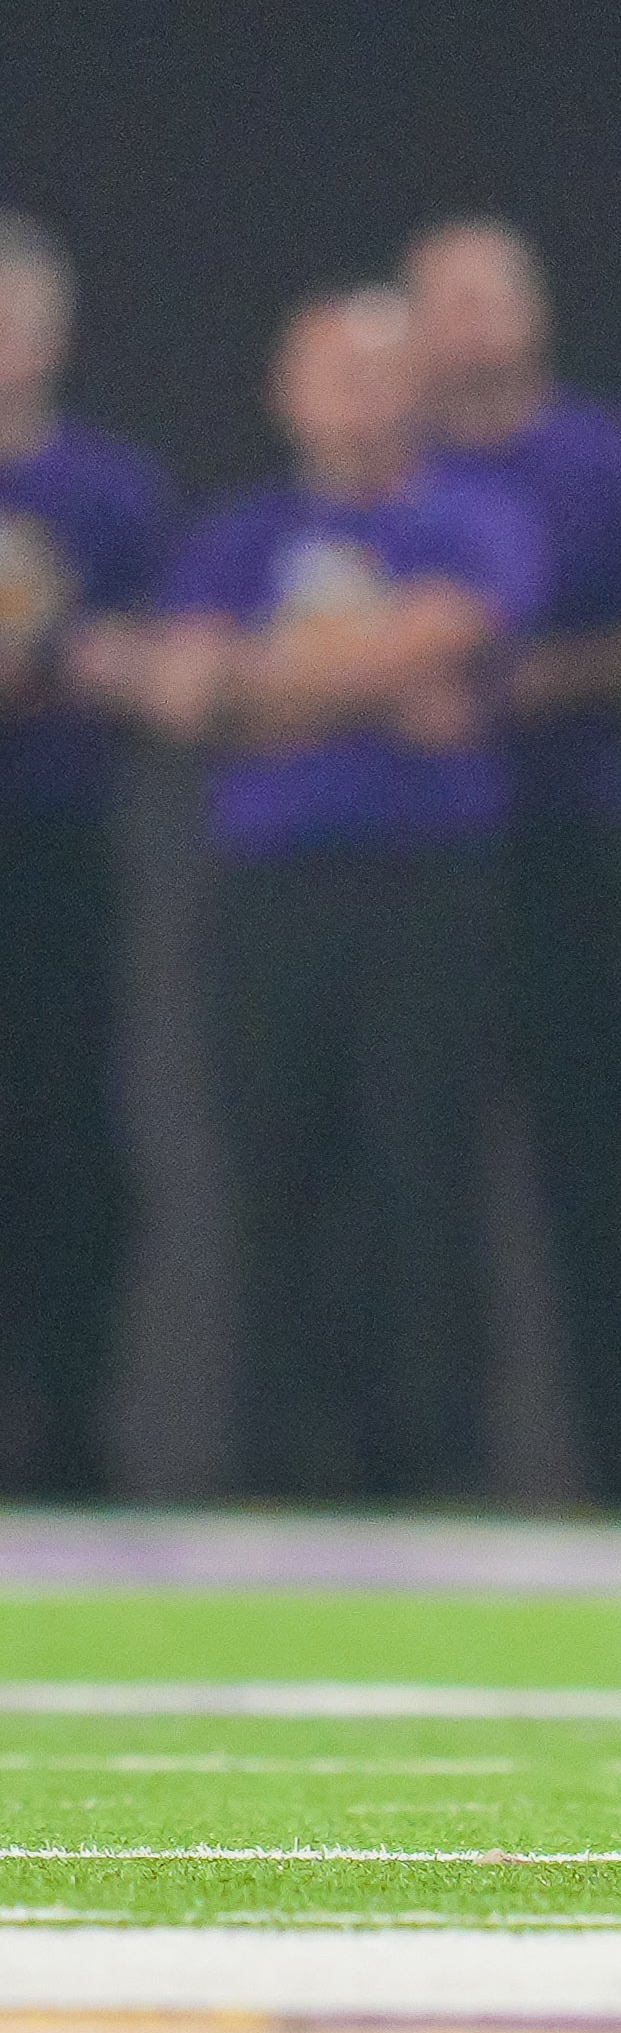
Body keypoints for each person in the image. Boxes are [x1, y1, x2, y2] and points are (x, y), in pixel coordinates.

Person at [95, 288, 546, 1497]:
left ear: (417, 389)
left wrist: (267, 688)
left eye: (378, 370)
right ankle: (275, 1468)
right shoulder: (238, 536)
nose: (356, 395)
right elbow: (186, 697)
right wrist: (370, 679)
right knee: (273, 1177)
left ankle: (438, 1468)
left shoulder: (473, 518)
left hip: (424, 890)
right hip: (271, 897)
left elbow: (445, 641)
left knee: (425, 1177)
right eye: (330, 372)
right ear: (284, 392)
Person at [403, 218, 621, 1503]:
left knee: (589, 1168)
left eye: (491, 298)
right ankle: (429, 1469)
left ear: (532, 314)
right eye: (446, 302)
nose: (471, 326)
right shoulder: (400, 473)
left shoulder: (609, 459)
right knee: (419, 1171)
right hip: (423, 861)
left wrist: (549, 679)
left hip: (573, 854)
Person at [0, 212, 173, 1498]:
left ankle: (72, 1418)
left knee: (66, 1135)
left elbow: (176, 665)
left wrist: (70, 664)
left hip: (56, 850)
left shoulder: (110, 490)